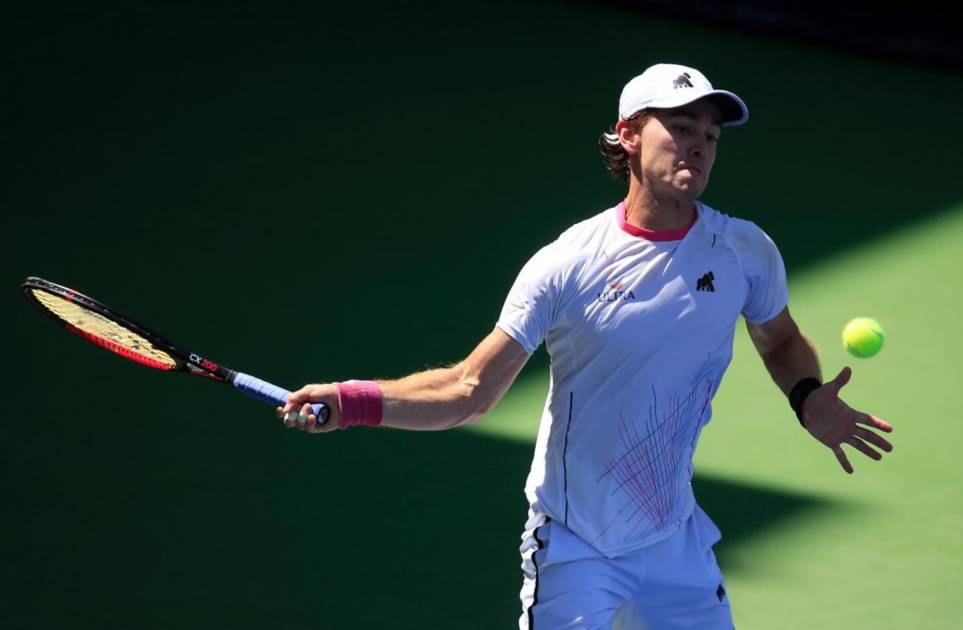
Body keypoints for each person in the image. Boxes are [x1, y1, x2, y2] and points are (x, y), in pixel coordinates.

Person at [277, 63, 894, 629]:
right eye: (681, 127)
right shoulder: (567, 264)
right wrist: (351, 401)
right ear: (628, 136)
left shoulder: (743, 251)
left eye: (710, 134)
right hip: (577, 547)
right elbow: (470, 390)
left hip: (675, 540)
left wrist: (807, 395)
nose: (700, 145)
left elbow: (779, 338)